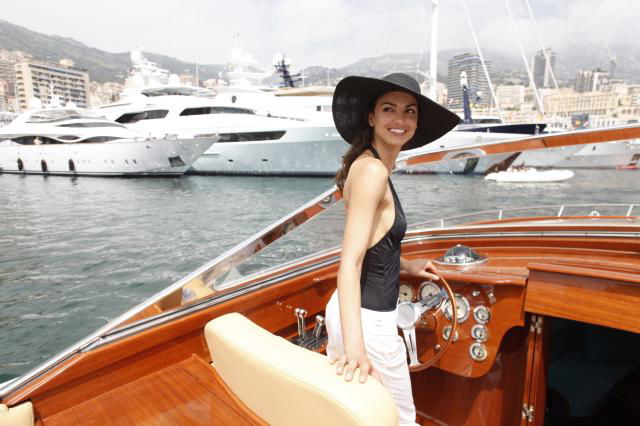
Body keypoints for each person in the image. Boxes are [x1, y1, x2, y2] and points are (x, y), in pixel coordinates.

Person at [325, 73, 460, 425]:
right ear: (371, 117)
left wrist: (407, 265)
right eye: (389, 109)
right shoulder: (372, 171)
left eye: (409, 111)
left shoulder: (369, 165)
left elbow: (372, 246)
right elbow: (350, 262)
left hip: (352, 311)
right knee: (399, 420)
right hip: (367, 322)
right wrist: (356, 347)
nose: (400, 119)